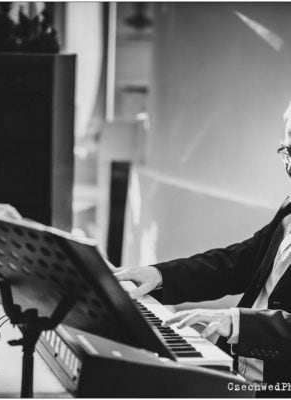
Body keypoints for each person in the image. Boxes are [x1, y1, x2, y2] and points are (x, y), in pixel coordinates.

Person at [115, 101, 291, 394]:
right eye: (286, 150)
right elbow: (237, 263)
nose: (288, 166)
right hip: (241, 378)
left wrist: (235, 322)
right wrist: (159, 275)